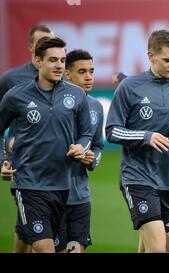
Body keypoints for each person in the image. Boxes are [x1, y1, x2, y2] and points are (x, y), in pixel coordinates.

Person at [105, 29, 169, 253]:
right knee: (158, 247)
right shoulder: (129, 87)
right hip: (137, 177)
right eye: (168, 60)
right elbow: (111, 131)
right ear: (150, 56)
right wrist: (145, 136)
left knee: (149, 247)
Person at [0, 36, 93, 253]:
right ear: (37, 61)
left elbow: (86, 133)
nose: (59, 65)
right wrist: (3, 160)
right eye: (53, 60)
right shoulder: (16, 96)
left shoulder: (76, 95)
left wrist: (81, 147)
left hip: (63, 187)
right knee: (45, 249)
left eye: (62, 60)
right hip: (29, 185)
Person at [0, 24, 54, 253]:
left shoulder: (60, 76)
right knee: (38, 225)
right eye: (41, 42)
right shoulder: (12, 79)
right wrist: (4, 155)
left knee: (28, 222)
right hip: (24, 161)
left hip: (56, 162)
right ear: (31, 46)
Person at [53, 49, 104, 253]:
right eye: (82, 72)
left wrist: (92, 159)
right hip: (50, 194)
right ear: (67, 74)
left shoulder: (95, 107)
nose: (89, 77)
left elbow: (98, 145)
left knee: (75, 250)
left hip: (80, 197)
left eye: (91, 71)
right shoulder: (52, 103)